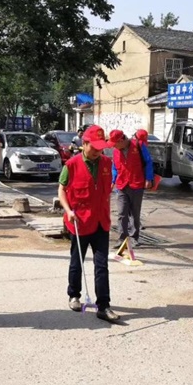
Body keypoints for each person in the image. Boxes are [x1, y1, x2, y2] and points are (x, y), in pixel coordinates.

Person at [58, 125, 120, 323]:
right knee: (77, 262)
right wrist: (68, 211)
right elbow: (61, 190)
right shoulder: (71, 165)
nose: (97, 151)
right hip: (80, 222)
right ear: (84, 144)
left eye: (101, 148)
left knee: (102, 265)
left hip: (101, 222)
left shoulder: (106, 163)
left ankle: (104, 305)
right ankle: (74, 294)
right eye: (94, 147)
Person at [108, 129, 153, 248]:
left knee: (135, 213)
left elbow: (148, 162)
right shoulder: (116, 151)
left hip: (136, 184)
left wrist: (148, 178)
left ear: (121, 140)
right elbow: (114, 167)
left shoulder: (138, 145)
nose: (113, 146)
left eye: (115, 143)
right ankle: (121, 238)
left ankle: (134, 237)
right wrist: (113, 180)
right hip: (121, 185)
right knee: (122, 213)